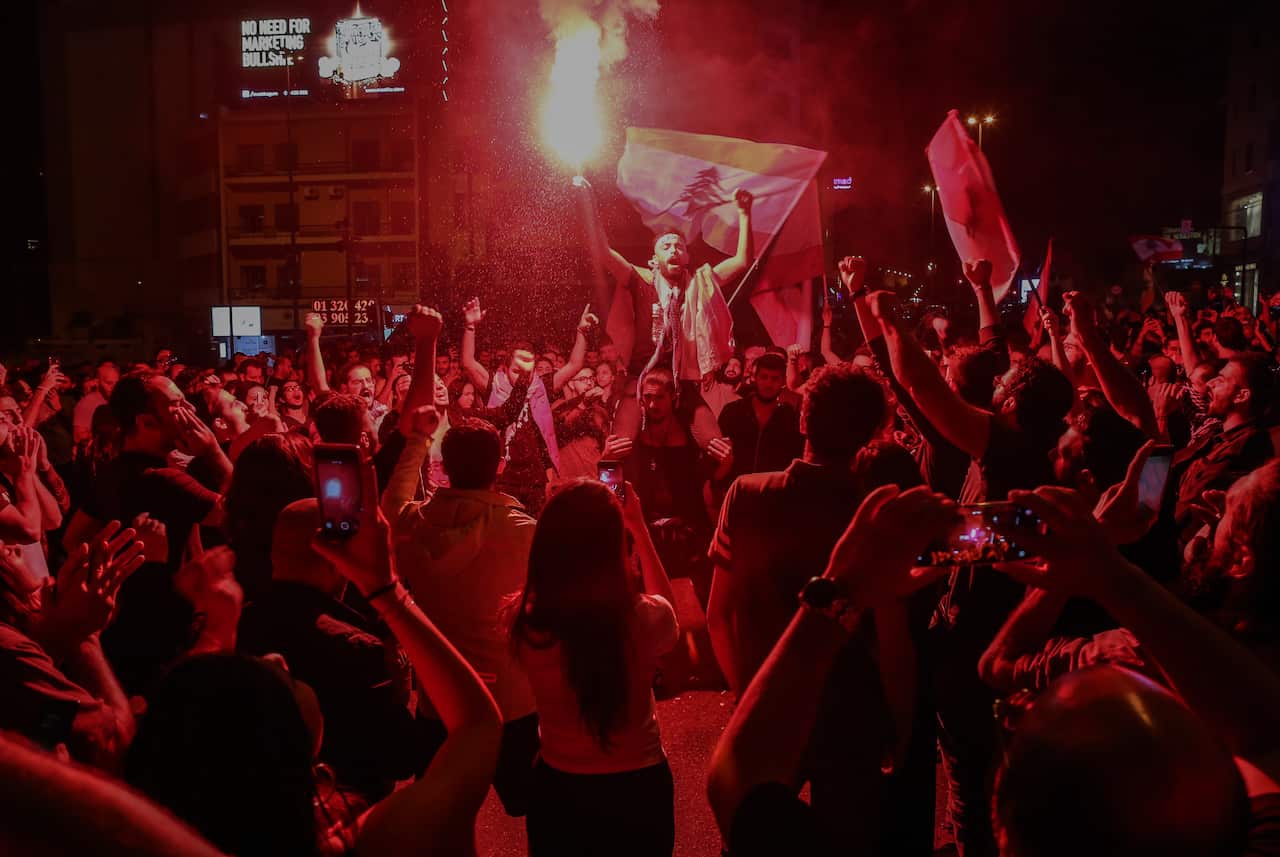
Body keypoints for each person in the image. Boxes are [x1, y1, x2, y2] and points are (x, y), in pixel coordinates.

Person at [126, 451, 504, 857]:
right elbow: (468, 731)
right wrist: (387, 591)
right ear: (303, 754)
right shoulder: (354, 837)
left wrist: (211, 626)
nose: (278, 660)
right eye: (281, 680)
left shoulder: (169, 827)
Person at [707, 362, 929, 853]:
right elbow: (893, 636)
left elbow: (717, 616)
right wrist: (902, 722)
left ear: (803, 420)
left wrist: (747, 695)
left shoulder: (746, 494)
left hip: (768, 707)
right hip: (852, 718)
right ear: (873, 433)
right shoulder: (874, 512)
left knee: (753, 842)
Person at [511, 479, 680, 857]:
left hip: (560, 787)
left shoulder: (526, 623)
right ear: (613, 546)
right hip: (638, 786)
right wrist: (638, 525)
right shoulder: (643, 618)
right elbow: (672, 619)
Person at [384, 411, 541, 816]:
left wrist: (418, 440)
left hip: (442, 697)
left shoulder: (412, 524)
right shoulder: (523, 531)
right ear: (501, 464)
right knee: (538, 805)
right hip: (511, 700)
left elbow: (392, 502)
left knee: (439, 814)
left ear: (443, 468)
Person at [238, 498, 433, 804]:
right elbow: (400, 758)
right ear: (335, 561)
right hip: (342, 822)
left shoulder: (235, 626)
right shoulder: (358, 651)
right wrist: (401, 691)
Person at [76, 372, 232, 693]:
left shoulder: (110, 472)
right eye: (177, 405)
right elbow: (240, 515)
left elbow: (72, 537)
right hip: (169, 633)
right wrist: (213, 451)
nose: (189, 409)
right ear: (147, 422)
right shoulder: (162, 479)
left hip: (126, 630)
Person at [580, 179, 755, 450]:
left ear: (685, 257)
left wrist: (745, 214)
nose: (674, 249)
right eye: (666, 246)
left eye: (679, 247)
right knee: (615, 452)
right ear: (655, 257)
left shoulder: (699, 282)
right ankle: (609, 493)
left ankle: (710, 491)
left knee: (720, 449)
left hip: (682, 383)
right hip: (640, 379)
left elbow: (743, 261)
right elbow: (602, 252)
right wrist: (588, 202)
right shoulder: (641, 280)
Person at [0, 521, 145, 769]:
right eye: (3, 549)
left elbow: (45, 726)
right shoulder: (8, 648)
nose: (13, 547)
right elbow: (115, 745)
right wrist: (84, 636)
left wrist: (59, 631)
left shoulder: (17, 650)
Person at [460, 297, 595, 514]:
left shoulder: (542, 386)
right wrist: (470, 326)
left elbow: (574, 364)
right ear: (505, 368)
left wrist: (581, 332)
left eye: (527, 371)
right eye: (517, 370)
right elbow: (468, 362)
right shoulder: (494, 383)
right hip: (503, 476)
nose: (523, 376)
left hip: (535, 477)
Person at [714, 351, 804, 488]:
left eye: (774, 379)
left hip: (770, 495)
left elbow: (794, 461)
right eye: (764, 377)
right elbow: (716, 453)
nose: (768, 384)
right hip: (733, 490)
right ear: (755, 377)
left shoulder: (789, 418)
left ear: (783, 381)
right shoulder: (733, 411)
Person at [72, 361, 120, 445]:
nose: (114, 387)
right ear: (97, 382)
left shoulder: (116, 401)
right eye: (109, 383)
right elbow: (78, 438)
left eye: (116, 383)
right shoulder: (86, 404)